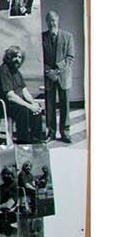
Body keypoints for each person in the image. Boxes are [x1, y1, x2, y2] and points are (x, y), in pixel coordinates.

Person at [42, 8, 76, 141]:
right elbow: (40, 57)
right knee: (49, 106)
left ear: (58, 20)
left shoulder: (68, 36)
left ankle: (65, 132)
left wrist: (56, 70)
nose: (51, 23)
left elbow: (70, 58)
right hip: (48, 77)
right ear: (46, 22)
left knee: (64, 105)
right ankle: (51, 132)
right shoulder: (42, 37)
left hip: (63, 76)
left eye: (53, 20)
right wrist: (48, 71)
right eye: (49, 21)